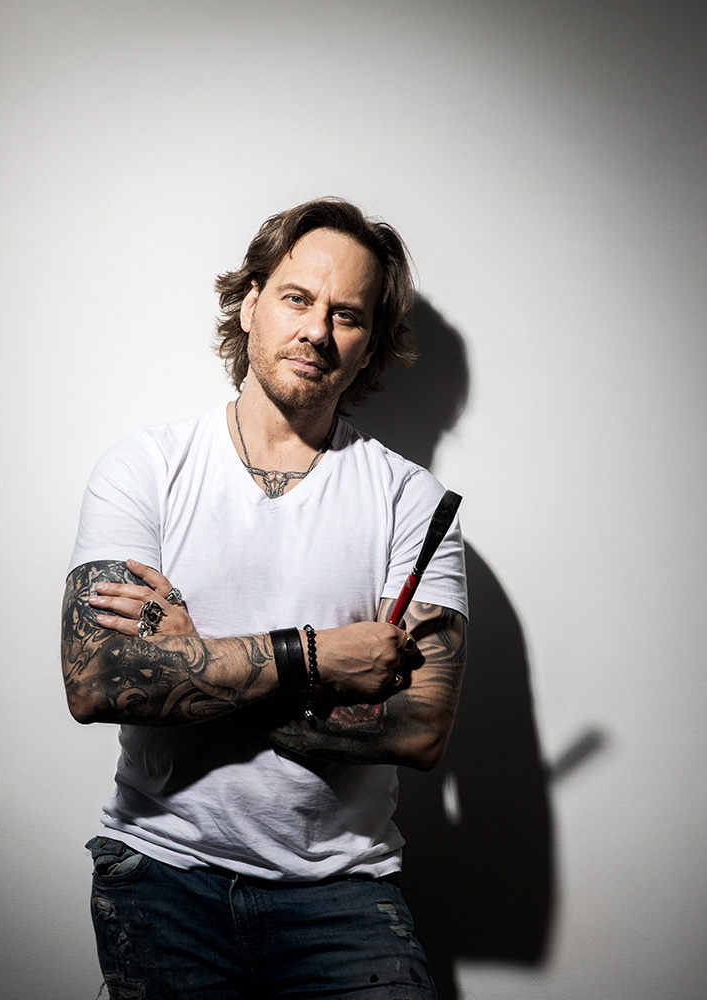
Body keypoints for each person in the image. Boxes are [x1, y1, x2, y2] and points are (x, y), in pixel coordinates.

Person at [61, 197, 468, 999]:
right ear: (249, 303)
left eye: (347, 315)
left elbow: (419, 728)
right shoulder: (145, 469)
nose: (318, 330)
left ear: (369, 345)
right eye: (297, 298)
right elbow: (97, 682)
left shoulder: (412, 504)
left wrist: (193, 660)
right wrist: (318, 657)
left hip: (343, 892)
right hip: (162, 873)